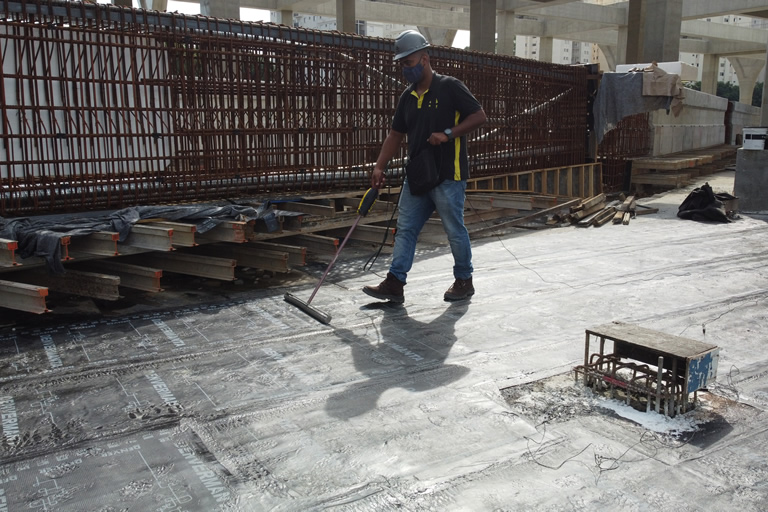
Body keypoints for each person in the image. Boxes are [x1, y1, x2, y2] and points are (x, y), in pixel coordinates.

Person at [363, 30, 487, 304]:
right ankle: (395, 283)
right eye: (402, 64)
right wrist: (379, 166)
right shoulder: (407, 97)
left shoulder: (449, 87)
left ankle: (464, 280)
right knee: (406, 228)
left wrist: (448, 133)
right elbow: (395, 135)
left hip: (447, 176)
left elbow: (479, 115)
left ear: (425, 59)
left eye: (409, 63)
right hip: (418, 176)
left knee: (454, 229)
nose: (405, 69)